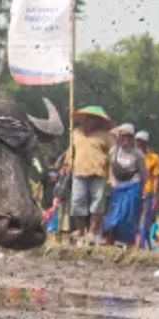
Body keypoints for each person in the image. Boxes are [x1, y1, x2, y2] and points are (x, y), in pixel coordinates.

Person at [66, 105, 116, 245]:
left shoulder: (106, 136)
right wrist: (68, 163)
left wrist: (112, 176)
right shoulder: (76, 133)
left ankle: (92, 232)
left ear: (99, 121)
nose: (92, 121)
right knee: (77, 201)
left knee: (97, 204)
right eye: (90, 118)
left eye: (95, 119)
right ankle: (80, 229)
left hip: (98, 173)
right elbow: (71, 151)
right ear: (85, 119)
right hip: (79, 172)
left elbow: (113, 155)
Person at [102, 123, 148, 246]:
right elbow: (109, 168)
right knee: (113, 219)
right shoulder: (113, 152)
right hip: (117, 188)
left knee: (128, 219)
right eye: (123, 136)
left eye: (129, 137)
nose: (126, 140)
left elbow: (144, 175)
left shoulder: (138, 155)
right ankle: (109, 244)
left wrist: (140, 191)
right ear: (119, 137)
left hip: (132, 189)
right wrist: (111, 183)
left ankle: (130, 245)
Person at [135, 130, 159, 249]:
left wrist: (155, 196)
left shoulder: (153, 158)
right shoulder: (132, 156)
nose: (139, 144)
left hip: (147, 192)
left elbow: (157, 177)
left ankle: (143, 243)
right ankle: (138, 242)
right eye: (137, 141)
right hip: (134, 191)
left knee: (145, 219)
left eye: (141, 142)